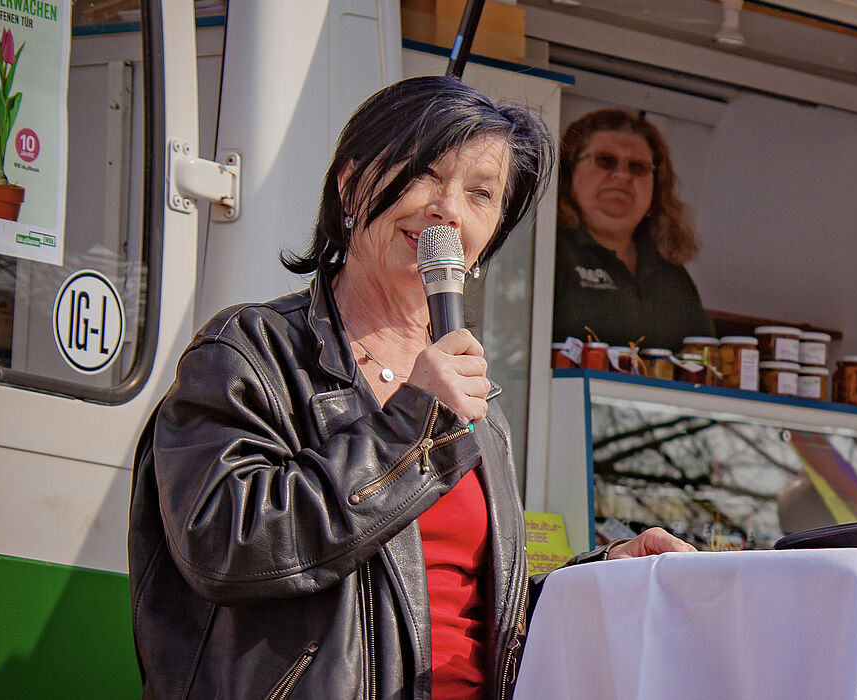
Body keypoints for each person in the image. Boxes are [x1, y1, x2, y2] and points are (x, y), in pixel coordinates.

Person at [127, 76, 694, 699]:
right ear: (351, 185)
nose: (448, 209)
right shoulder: (252, 352)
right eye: (425, 173)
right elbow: (224, 543)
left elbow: (459, 612)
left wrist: (599, 576)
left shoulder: (473, 401)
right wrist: (412, 424)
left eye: (480, 193)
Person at [552, 108, 714, 349]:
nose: (621, 175)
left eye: (638, 167)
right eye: (606, 160)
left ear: (656, 185)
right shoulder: (550, 252)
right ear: (568, 173)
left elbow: (704, 357)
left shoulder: (671, 271)